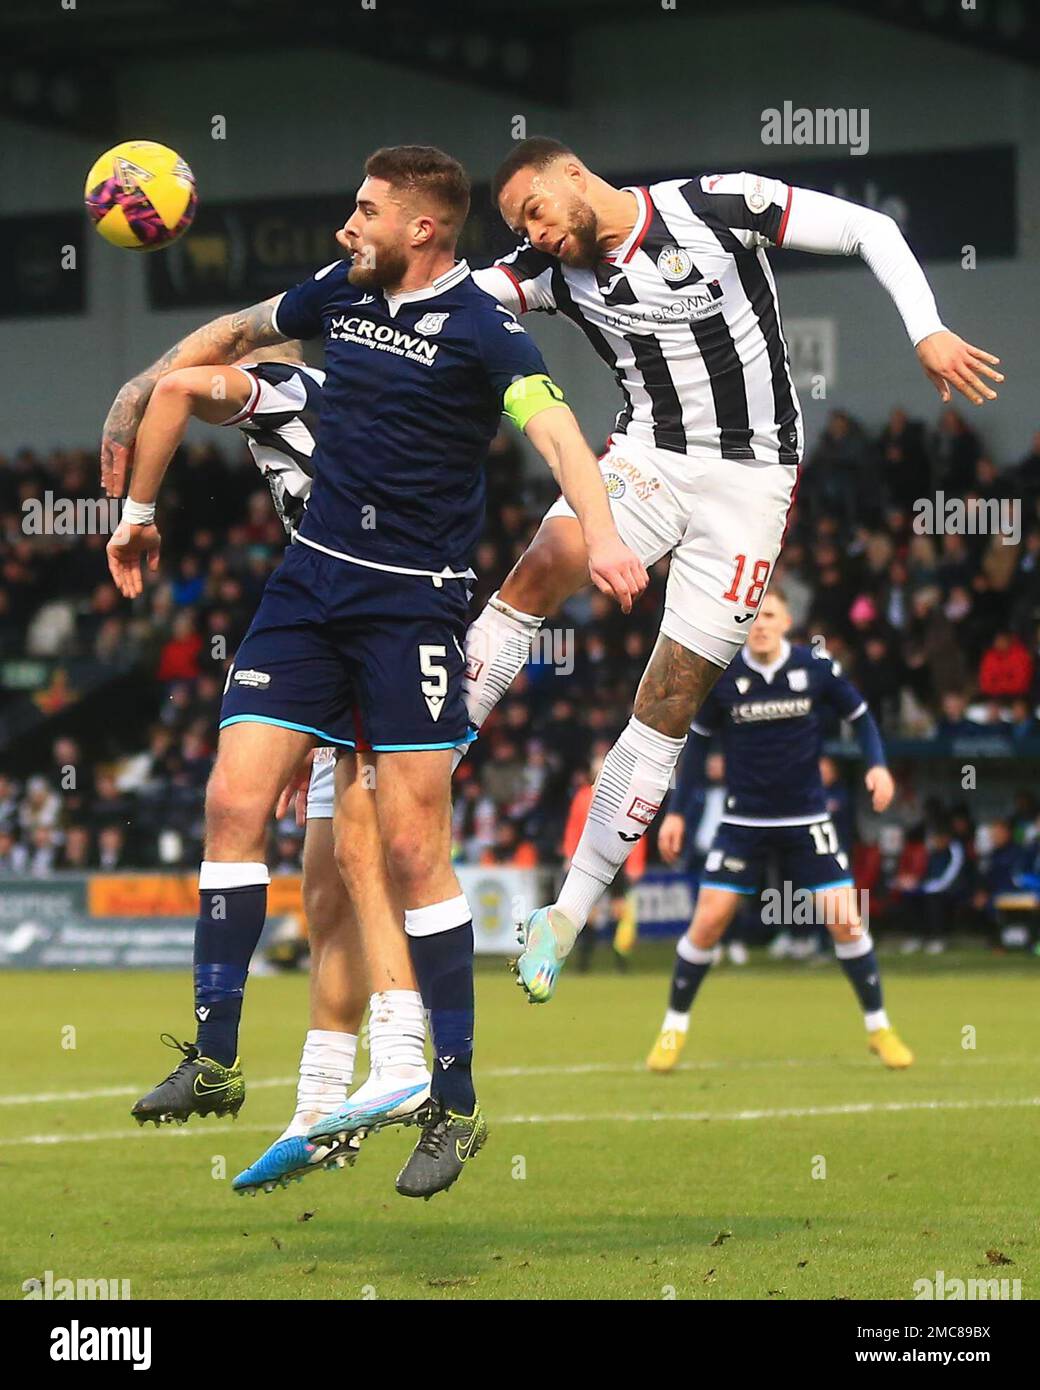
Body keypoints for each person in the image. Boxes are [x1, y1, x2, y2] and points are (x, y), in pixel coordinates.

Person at [102, 144, 645, 1200]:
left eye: (364, 210)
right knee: (230, 799)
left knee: (405, 846)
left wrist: (605, 530)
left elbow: (557, 431)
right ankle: (215, 1056)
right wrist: (134, 505)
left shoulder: (484, 329)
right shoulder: (336, 294)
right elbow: (215, 350)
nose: (347, 226)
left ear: (422, 229)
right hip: (306, 595)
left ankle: (455, 1097)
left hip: (408, 608)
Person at [462, 136, 1003, 1005]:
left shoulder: (718, 203)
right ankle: (437, 748)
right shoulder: (544, 271)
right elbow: (448, 303)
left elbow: (869, 229)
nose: (534, 232)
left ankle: (565, 913)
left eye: (534, 210)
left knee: (670, 700)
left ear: (573, 174)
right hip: (648, 459)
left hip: (753, 483)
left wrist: (927, 327)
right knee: (546, 560)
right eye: (519, 224)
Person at [649, 588, 913, 1071]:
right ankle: (672, 1029)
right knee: (707, 923)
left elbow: (861, 717)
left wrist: (877, 766)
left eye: (770, 614)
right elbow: (698, 750)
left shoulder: (816, 668)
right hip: (742, 821)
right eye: (754, 616)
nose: (761, 623)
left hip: (806, 819)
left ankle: (880, 1028)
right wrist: (680, 812)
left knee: (847, 920)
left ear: (788, 618)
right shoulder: (723, 675)